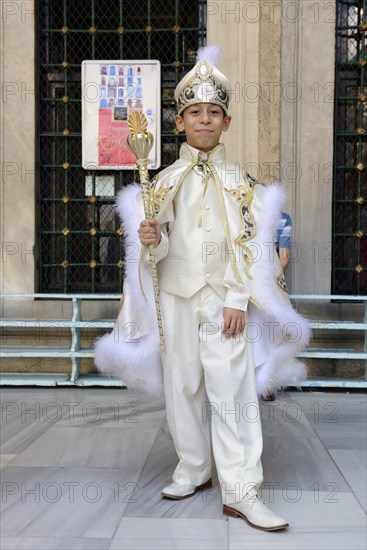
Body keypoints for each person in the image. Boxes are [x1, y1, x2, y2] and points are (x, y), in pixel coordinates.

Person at [95, 45, 310, 532]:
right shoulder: (163, 181)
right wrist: (151, 238)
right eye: (196, 112)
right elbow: (155, 250)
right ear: (179, 122)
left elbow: (255, 243)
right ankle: (194, 466)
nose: (205, 121)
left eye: (214, 113)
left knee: (231, 390)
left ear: (227, 122)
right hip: (175, 294)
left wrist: (238, 298)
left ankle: (241, 489)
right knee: (183, 385)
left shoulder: (243, 183)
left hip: (224, 300)